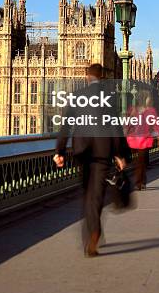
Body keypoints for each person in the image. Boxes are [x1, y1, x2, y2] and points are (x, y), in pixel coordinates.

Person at [53, 63, 128, 258]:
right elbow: (115, 128)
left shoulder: (77, 97)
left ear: (87, 77)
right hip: (103, 154)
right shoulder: (108, 98)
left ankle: (92, 232)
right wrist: (121, 154)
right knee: (96, 196)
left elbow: (66, 126)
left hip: (82, 152)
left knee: (87, 194)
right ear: (102, 78)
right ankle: (94, 232)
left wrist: (60, 150)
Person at [126, 91, 159, 190]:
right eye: (148, 98)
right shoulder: (132, 109)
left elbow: (156, 125)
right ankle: (142, 182)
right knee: (139, 162)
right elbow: (127, 124)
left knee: (141, 161)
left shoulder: (151, 111)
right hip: (134, 139)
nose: (150, 100)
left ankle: (139, 183)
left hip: (144, 139)